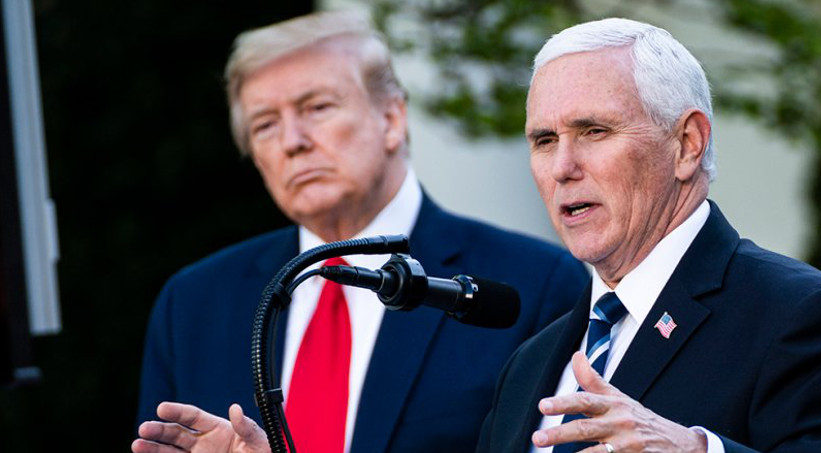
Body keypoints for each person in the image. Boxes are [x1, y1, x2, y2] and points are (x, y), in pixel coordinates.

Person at [132, 10, 588, 453]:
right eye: (265, 124)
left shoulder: (533, 285)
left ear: (391, 119)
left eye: (317, 108)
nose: (293, 141)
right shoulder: (192, 305)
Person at [475, 18, 821, 453]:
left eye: (594, 131)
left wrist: (696, 449)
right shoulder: (528, 364)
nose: (562, 167)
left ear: (687, 144)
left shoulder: (802, 316)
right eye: (545, 140)